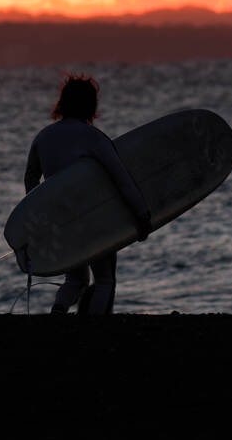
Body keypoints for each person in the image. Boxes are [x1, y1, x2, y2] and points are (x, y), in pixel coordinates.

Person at [24, 74, 151, 316]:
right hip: (95, 219)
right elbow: (122, 179)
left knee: (75, 279)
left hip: (63, 221)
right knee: (104, 280)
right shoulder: (94, 138)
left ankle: (58, 311)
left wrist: (40, 213)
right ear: (90, 105)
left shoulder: (43, 137)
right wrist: (142, 215)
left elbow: (31, 177)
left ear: (62, 103)